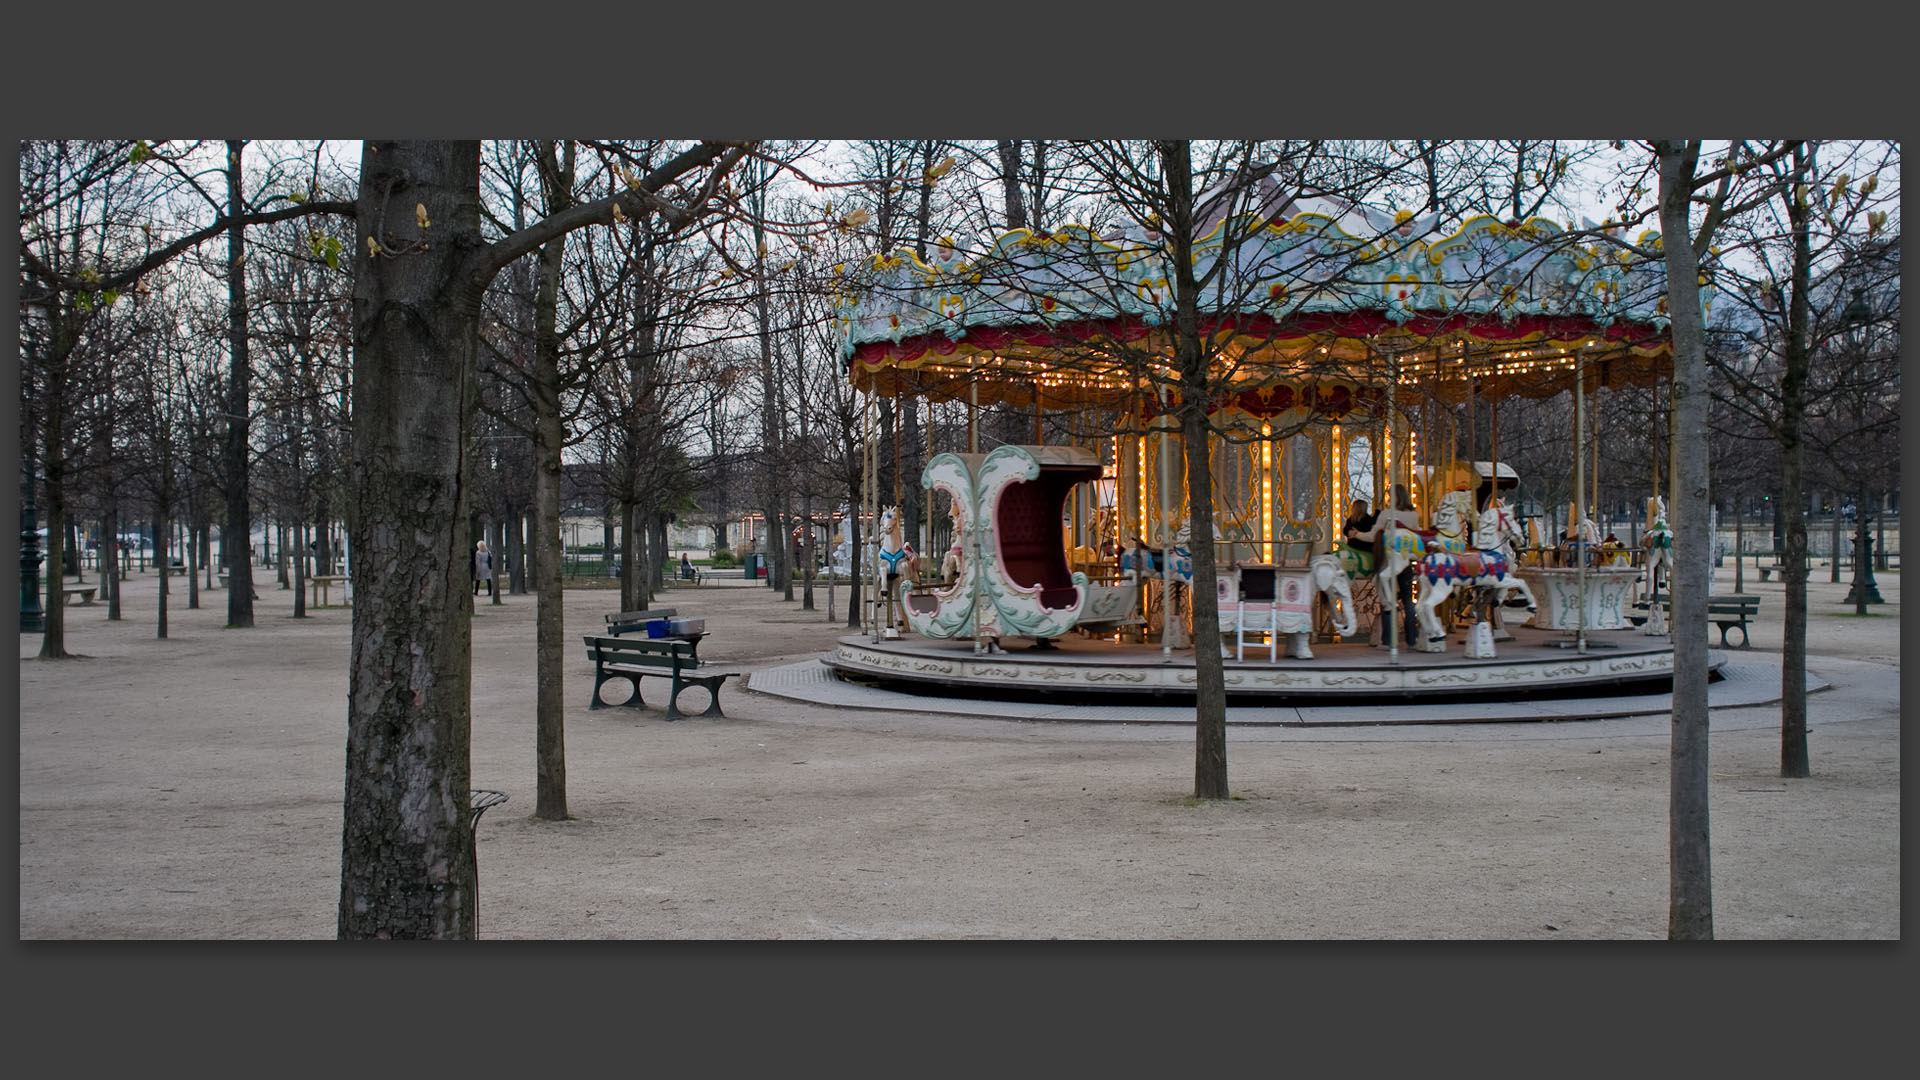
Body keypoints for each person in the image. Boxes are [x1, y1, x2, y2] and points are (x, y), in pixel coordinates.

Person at [1342, 498, 1377, 574]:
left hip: (1352, 546)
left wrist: (1350, 533)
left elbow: (1345, 530)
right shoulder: (1368, 520)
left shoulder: (1351, 520)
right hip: (1365, 547)